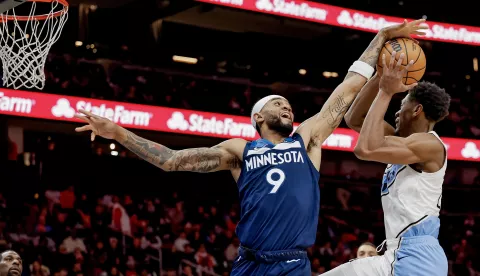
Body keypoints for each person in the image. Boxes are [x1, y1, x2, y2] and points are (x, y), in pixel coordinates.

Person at [74, 20, 426, 275]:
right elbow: (172, 161)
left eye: (289, 105)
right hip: (250, 262)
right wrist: (118, 133)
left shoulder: (306, 138)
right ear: (258, 116)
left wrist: (380, 37)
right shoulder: (240, 150)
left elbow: (347, 91)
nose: (287, 107)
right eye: (278, 104)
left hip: (292, 263)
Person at [323, 48, 451, 275]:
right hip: (399, 252)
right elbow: (354, 119)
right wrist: (380, 76)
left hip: (417, 256)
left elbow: (365, 148)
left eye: (402, 105)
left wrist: (386, 92)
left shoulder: (429, 146)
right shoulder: (402, 142)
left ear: (417, 110)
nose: (396, 112)